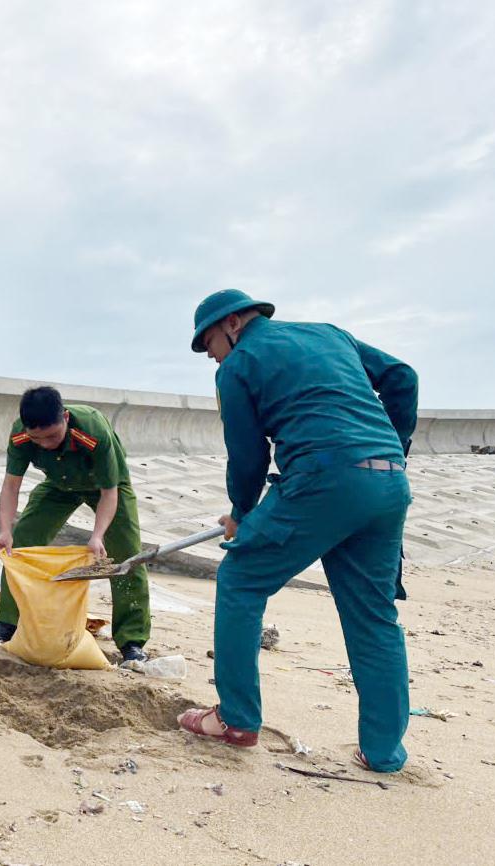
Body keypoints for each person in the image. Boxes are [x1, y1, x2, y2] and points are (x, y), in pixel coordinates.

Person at [177, 289, 418, 773]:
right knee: (373, 616)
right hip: (388, 481)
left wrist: (241, 512)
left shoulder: (238, 364)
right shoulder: (329, 334)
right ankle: (384, 751)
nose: (212, 360)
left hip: (321, 480)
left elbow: (247, 455)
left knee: (240, 581)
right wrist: (393, 445)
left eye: (208, 347)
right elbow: (402, 377)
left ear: (230, 325)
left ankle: (236, 720)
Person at [0, 386, 151, 664]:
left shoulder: (92, 431)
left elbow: (109, 493)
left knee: (127, 554)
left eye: (52, 436)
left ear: (65, 417)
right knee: (21, 541)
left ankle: (131, 641)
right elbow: (10, 485)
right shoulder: (20, 435)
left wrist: (97, 536)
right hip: (59, 484)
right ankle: (6, 623)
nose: (45, 444)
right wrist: (5, 531)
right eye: (38, 439)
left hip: (105, 487)